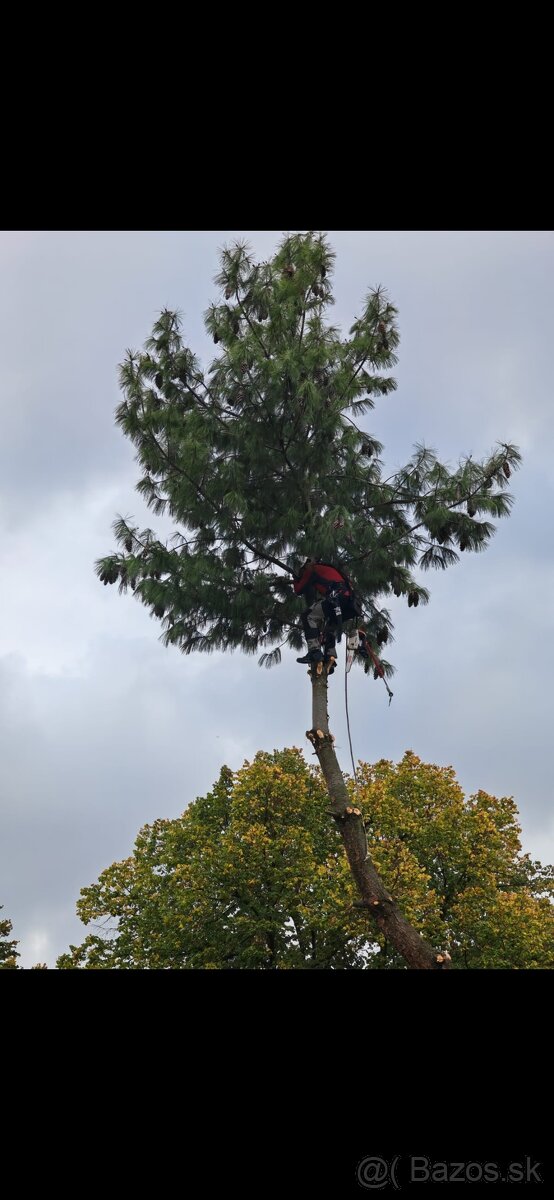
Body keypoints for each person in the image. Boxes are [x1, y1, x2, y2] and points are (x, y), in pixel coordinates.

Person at [293, 558, 361, 668]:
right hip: (349, 604)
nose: (302, 574)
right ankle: (330, 657)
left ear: (305, 566)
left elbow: (298, 590)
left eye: (301, 572)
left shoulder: (311, 569)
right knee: (329, 626)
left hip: (337, 598)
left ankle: (314, 651)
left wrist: (295, 580)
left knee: (307, 616)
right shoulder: (327, 568)